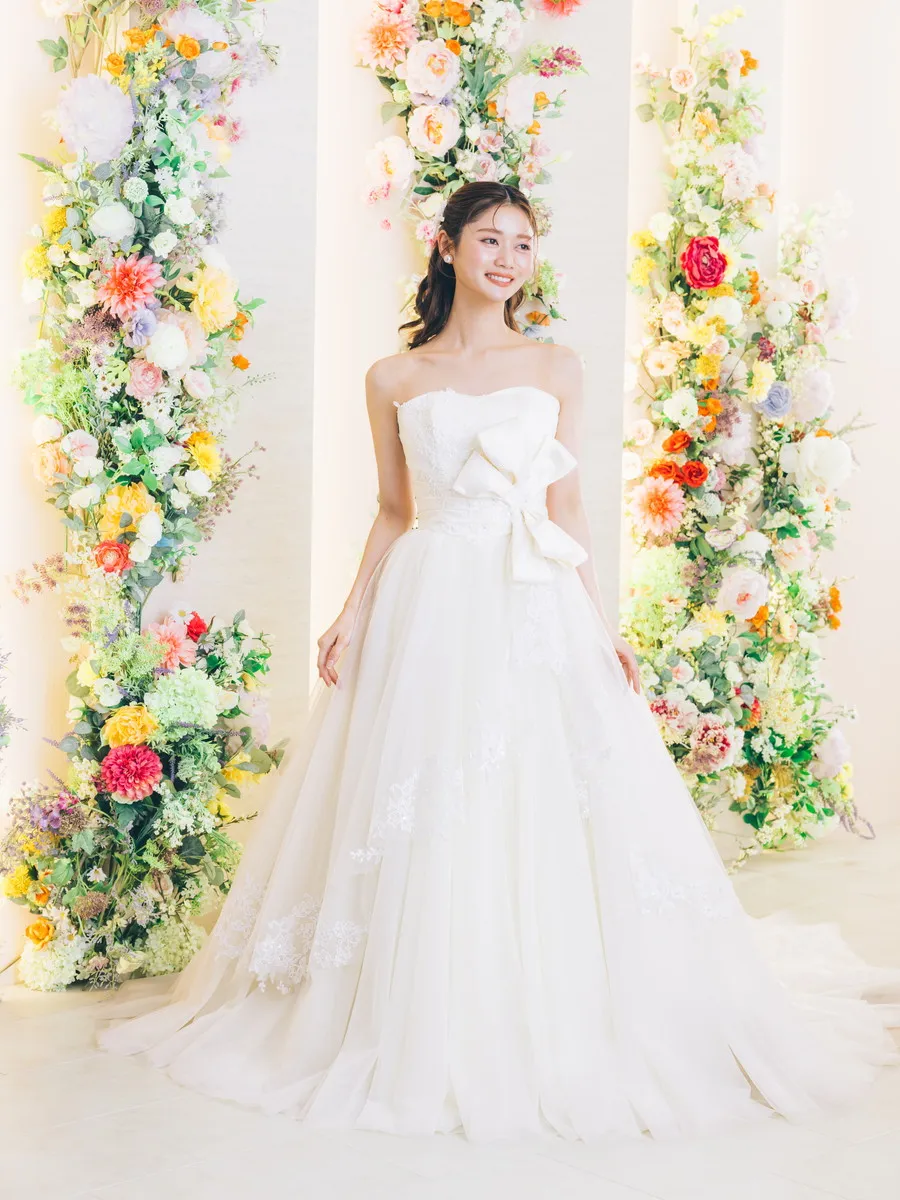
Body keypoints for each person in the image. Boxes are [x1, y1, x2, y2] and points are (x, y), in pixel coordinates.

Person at [99, 181, 900, 1144]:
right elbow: (394, 510)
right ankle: (418, 1003)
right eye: (489, 239)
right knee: (428, 790)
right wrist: (351, 612)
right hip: (432, 599)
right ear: (446, 248)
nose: (508, 258)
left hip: (533, 597)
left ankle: (551, 992)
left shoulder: (557, 365)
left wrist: (601, 625)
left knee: (543, 787)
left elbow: (567, 508)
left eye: (523, 242)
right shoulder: (392, 377)